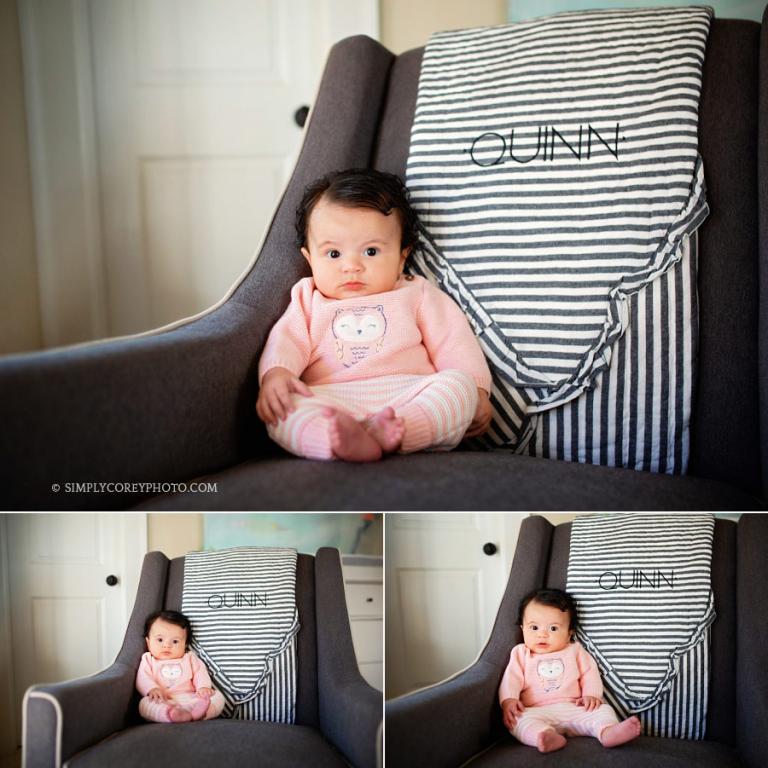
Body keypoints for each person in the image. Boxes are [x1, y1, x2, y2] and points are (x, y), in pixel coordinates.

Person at [256, 168, 492, 462]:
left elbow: (453, 341)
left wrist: (478, 389)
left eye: (370, 252)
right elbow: (286, 340)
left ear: (402, 256)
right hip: (330, 400)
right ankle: (334, 439)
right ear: (309, 258)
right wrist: (277, 374)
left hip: (407, 396)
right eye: (333, 254)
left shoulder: (416, 293)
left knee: (459, 387)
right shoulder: (308, 298)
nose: (351, 266)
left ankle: (398, 432)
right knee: (281, 409)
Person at [499, 589, 641, 753]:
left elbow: (589, 673)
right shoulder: (521, 653)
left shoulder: (575, 651)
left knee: (603, 710)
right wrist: (509, 700)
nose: (542, 635)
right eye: (534, 627)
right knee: (517, 720)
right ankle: (544, 736)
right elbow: (511, 679)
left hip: (575, 707)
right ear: (523, 628)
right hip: (536, 710)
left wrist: (591, 695)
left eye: (553, 628)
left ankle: (607, 732)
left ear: (569, 633)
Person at [136, 610, 225, 723]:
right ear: (148, 642)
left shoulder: (190, 658)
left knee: (218, 697)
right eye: (160, 640)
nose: (166, 645)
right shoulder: (148, 659)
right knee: (144, 704)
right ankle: (168, 714)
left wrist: (203, 687)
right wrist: (152, 689)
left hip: (192, 699)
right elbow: (143, 677)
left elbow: (200, 672)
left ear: (185, 644)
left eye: (175, 641)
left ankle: (201, 712)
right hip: (164, 701)